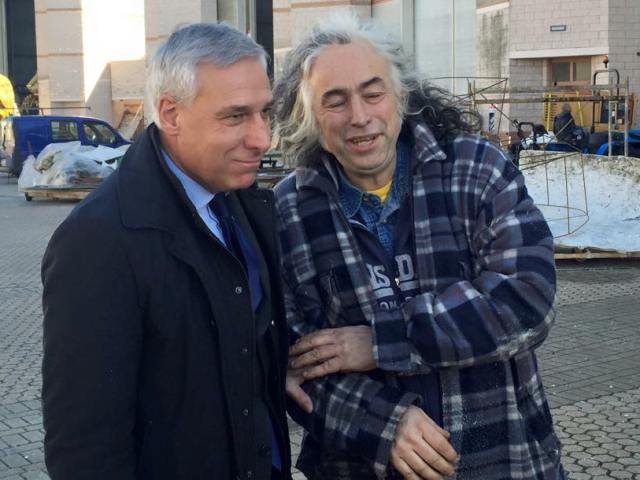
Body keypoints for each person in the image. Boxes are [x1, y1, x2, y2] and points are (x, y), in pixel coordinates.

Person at [272, 18, 564, 480]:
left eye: (373, 93)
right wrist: (385, 424)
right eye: (335, 101)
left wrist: (382, 342)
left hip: (501, 459)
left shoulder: (476, 169)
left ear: (401, 95)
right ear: (308, 115)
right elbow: (293, 367)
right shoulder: (288, 214)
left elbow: (526, 302)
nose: (359, 116)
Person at [42, 23, 291, 480]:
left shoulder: (239, 200)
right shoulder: (99, 241)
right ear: (171, 114)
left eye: (264, 113)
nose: (263, 138)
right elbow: (85, 448)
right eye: (235, 117)